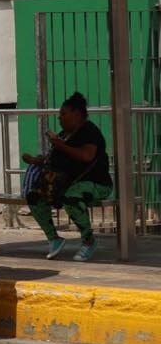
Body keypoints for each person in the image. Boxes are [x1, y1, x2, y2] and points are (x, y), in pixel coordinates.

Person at [22, 92, 114, 261]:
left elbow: (86, 156)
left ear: (77, 114)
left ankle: (88, 241)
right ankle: (54, 239)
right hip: (67, 183)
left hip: (96, 184)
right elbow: (55, 159)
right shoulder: (64, 134)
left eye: (63, 114)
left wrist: (60, 145)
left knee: (70, 197)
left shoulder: (89, 131)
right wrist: (36, 160)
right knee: (34, 196)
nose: (60, 118)